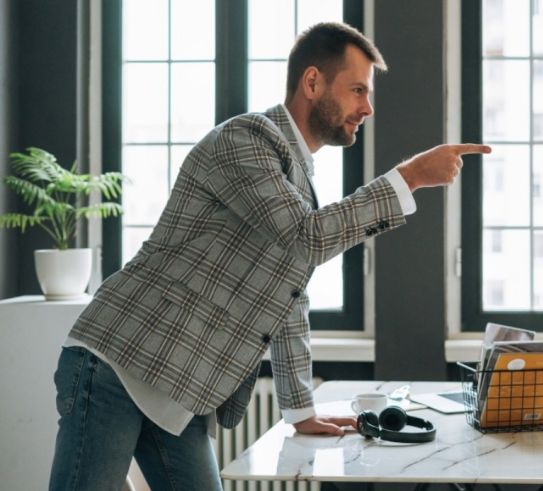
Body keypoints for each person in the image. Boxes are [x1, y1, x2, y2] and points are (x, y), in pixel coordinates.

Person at [48, 22, 490, 490]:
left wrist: (300, 411)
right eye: (358, 90)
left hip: (178, 386)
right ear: (312, 82)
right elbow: (307, 238)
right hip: (118, 361)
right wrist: (409, 177)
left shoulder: (295, 175)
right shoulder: (246, 140)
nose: (367, 108)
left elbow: (287, 294)